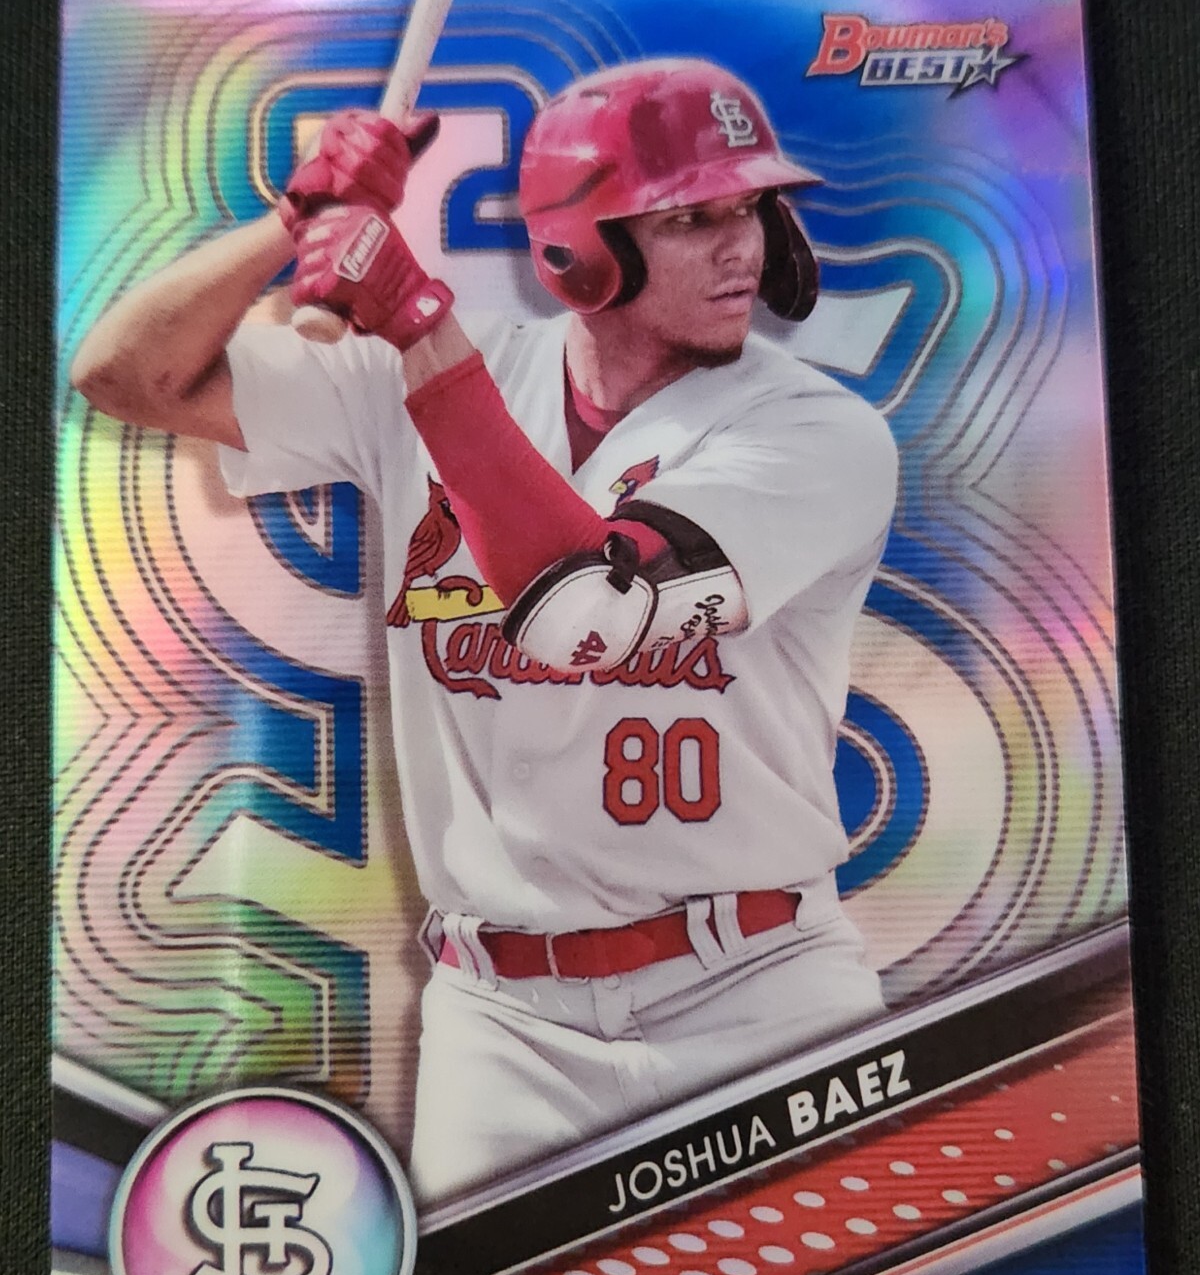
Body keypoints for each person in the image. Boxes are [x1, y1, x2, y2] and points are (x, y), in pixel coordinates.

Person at [71, 59, 899, 1204]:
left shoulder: (819, 432)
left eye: (752, 207)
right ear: (578, 247)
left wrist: (417, 326)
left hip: (758, 996)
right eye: (692, 217)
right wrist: (295, 219)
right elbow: (125, 372)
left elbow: (586, 612)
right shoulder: (428, 378)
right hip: (504, 1025)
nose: (743, 247)